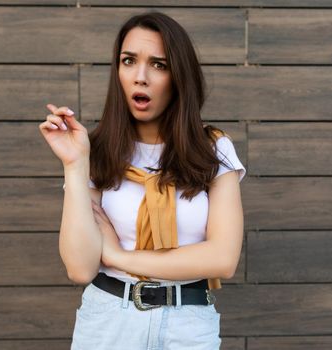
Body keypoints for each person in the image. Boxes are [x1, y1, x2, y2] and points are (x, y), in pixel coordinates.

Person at [38, 10, 246, 350]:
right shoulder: (97, 151)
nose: (140, 77)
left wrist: (119, 258)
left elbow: (223, 259)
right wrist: (75, 165)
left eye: (159, 65)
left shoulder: (213, 149)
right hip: (107, 322)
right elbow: (80, 268)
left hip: (188, 325)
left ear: (179, 77)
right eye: (129, 61)